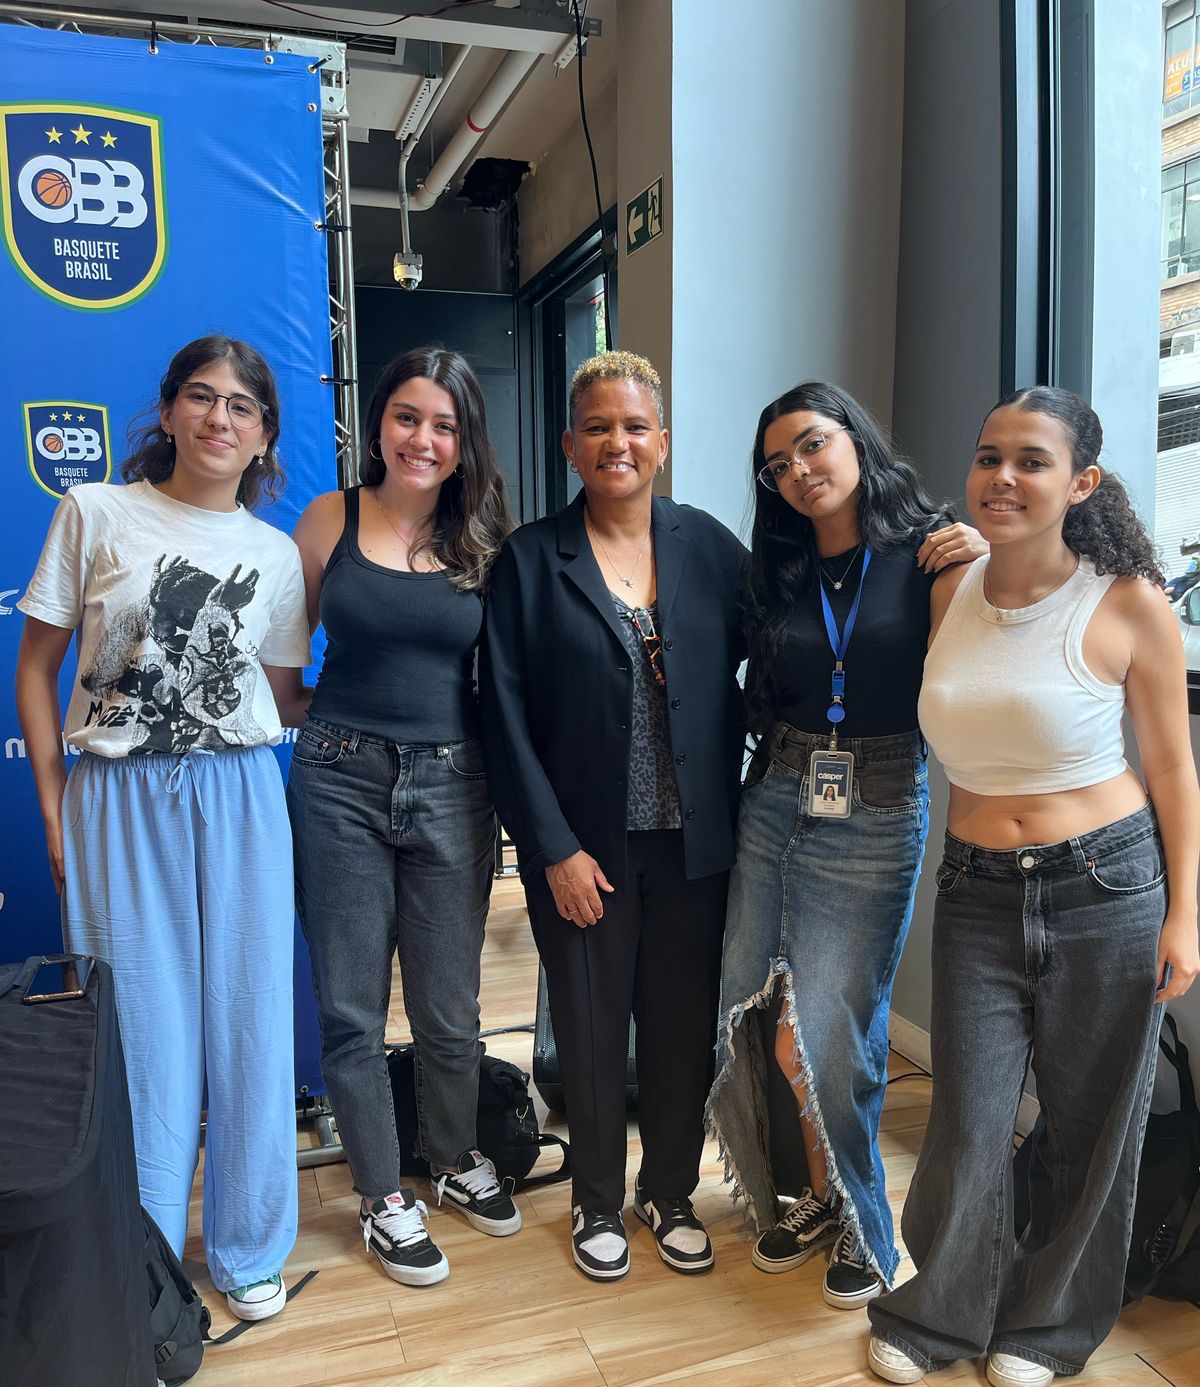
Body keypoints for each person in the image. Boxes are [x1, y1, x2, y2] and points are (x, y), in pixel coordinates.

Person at [867, 386, 1200, 1387]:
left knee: (1090, 1121)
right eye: (988, 457)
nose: (1003, 477)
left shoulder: (1127, 600)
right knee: (967, 1118)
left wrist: (1187, 912)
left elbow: (1174, 768)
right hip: (974, 888)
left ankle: (1052, 1327)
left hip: (1106, 884)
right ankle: (943, 1307)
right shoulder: (949, 584)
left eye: (1032, 461)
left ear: (1080, 482)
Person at [16, 334, 309, 1321]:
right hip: (118, 795)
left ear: (265, 435)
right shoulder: (96, 511)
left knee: (251, 1015)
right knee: (139, 1028)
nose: (218, 418)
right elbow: (36, 671)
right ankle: (141, 1256)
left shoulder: (273, 557)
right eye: (200, 397)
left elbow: (276, 692)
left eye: (241, 406)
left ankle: (249, 1244)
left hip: (238, 795)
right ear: (170, 410)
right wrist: (56, 813)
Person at [706, 380, 983, 1310]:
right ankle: (811, 1195)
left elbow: (993, 645)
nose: (799, 472)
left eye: (813, 445)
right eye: (777, 464)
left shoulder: (934, 551)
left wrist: (989, 560)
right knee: (754, 1019)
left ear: (856, 439)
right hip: (777, 791)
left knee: (830, 1030)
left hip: (876, 796)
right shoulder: (776, 568)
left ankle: (864, 1221)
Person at [480, 351, 747, 1281]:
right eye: (597, 426)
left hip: (696, 847)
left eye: (635, 426)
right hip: (584, 847)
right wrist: (550, 849)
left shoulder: (708, 548)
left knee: (679, 1027)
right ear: (568, 444)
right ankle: (598, 1197)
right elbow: (502, 715)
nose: (617, 443)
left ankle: (667, 1192)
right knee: (591, 1030)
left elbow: (786, 639)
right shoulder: (529, 559)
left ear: (662, 443)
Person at [280, 347, 516, 1290]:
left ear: (464, 445)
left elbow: (504, 680)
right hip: (338, 778)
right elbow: (282, 668)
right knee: (348, 1007)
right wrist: (346, 735)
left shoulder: (486, 537)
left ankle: (454, 1158)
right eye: (409, 417)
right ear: (378, 424)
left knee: (449, 1007)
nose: (424, 438)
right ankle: (384, 1196)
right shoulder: (328, 518)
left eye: (445, 425)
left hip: (456, 786)